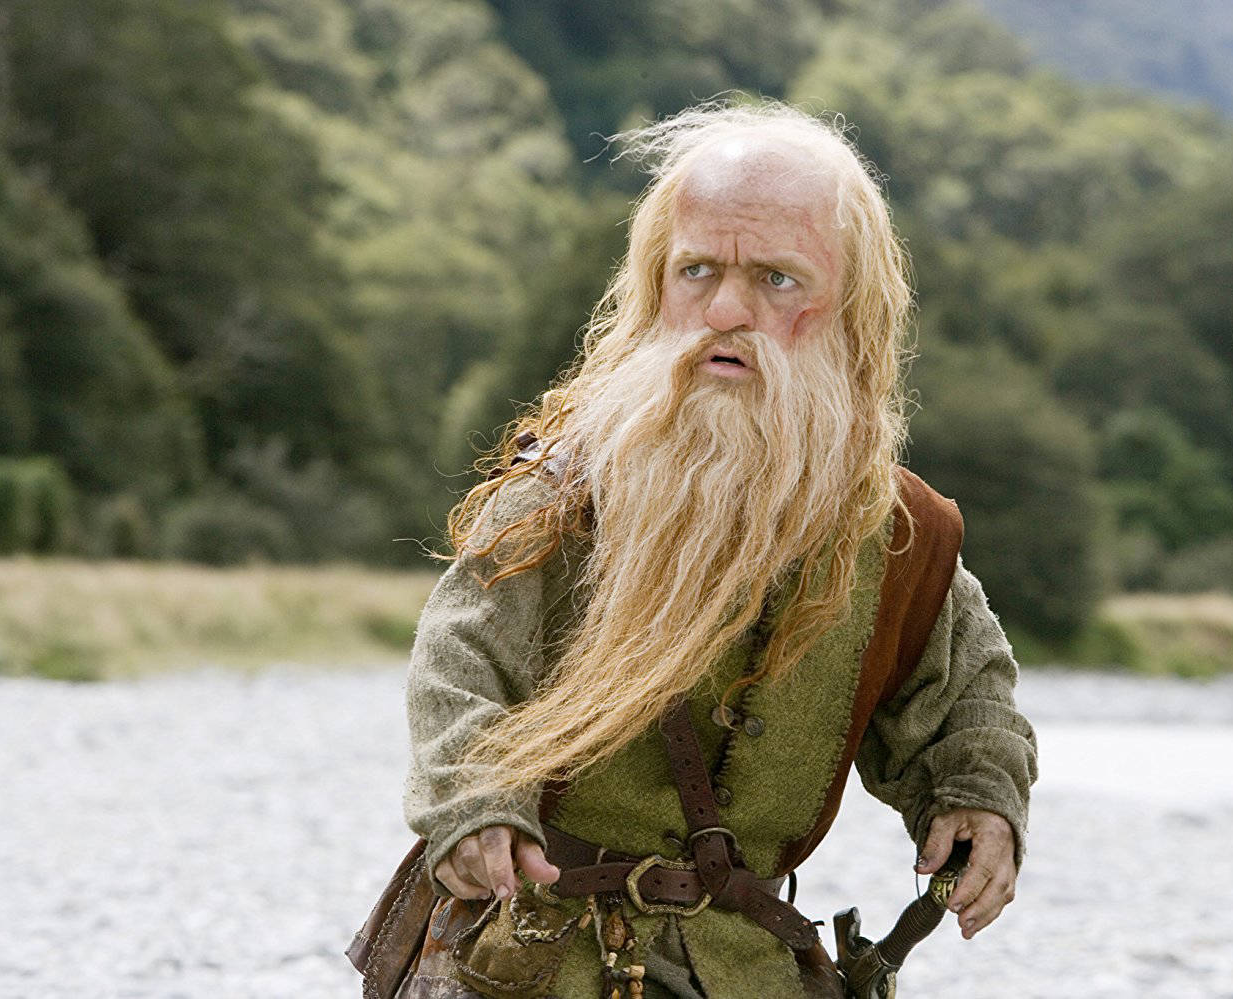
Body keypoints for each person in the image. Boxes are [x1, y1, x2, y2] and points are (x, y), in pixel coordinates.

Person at [393, 101, 1037, 999]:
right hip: (528, 958)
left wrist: (980, 797)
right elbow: (459, 661)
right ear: (656, 285)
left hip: (750, 969)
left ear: (852, 308)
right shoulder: (561, 491)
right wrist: (473, 807)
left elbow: (967, 698)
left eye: (777, 278)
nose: (726, 309)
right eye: (696, 270)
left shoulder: (899, 534)